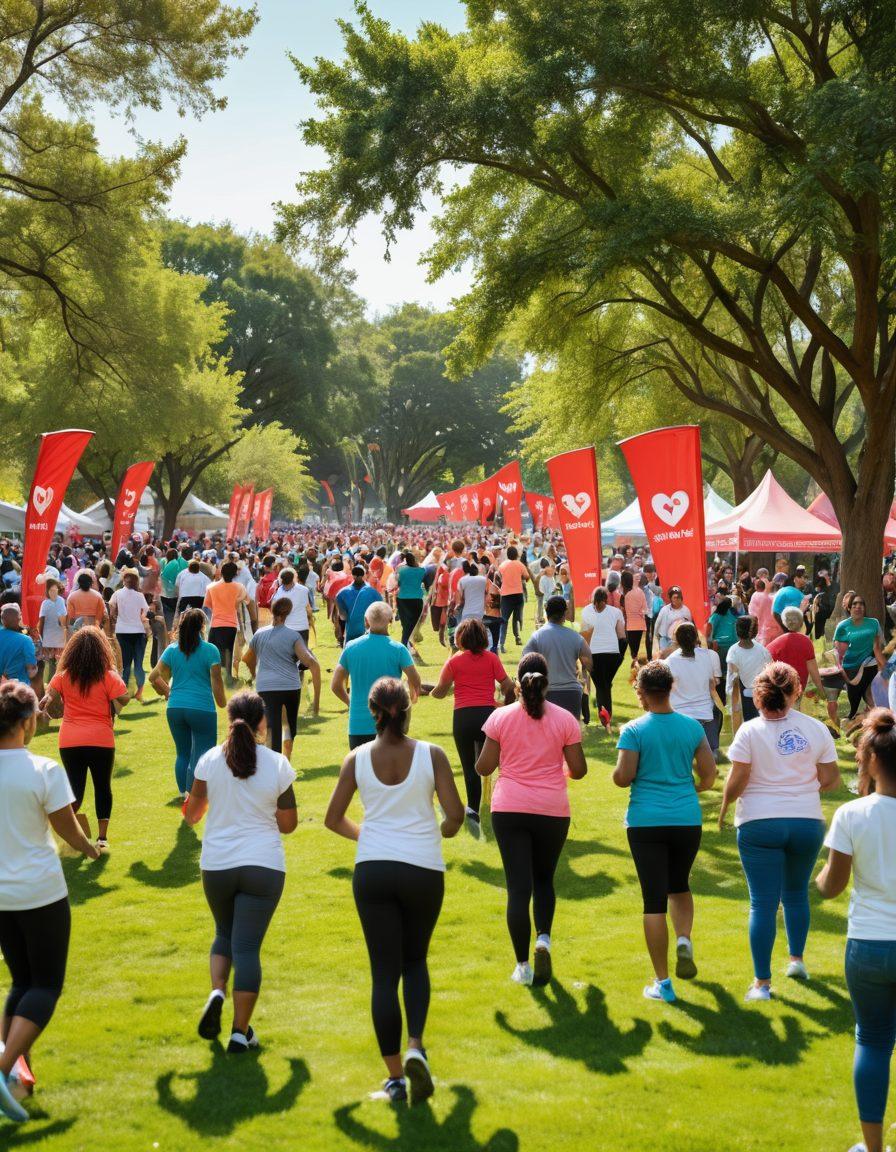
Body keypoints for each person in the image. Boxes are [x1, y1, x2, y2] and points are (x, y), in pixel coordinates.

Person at [324, 676, 464, 1105]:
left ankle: (395, 1077)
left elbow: (332, 819)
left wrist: (367, 834)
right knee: (414, 961)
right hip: (423, 867)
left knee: (383, 974)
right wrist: (436, 828)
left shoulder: (357, 758)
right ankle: (416, 1045)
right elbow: (456, 816)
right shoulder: (432, 755)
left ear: (373, 712)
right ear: (408, 709)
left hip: (374, 868)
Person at [0, 681, 99, 1123]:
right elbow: (67, 829)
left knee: (21, 983)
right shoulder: (42, 769)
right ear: (26, 723)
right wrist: (91, 848)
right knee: (45, 986)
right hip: (39, 892)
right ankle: (2, 1071)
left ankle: (18, 1077)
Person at [184, 691, 297, 1054]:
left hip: (217, 864)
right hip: (263, 865)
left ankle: (218, 992)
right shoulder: (278, 764)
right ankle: (238, 1030)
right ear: (262, 721)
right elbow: (288, 824)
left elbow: (192, 815)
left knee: (224, 934)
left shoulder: (209, 760)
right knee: (247, 947)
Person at [720, 662, 840, 1000]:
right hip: (806, 822)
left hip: (759, 822)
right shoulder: (816, 729)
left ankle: (762, 984)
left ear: (759, 694)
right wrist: (801, 788)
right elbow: (831, 779)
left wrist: (725, 806)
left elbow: (738, 779)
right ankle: (797, 961)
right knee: (796, 894)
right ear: (796, 690)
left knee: (762, 903)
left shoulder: (748, 731)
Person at [475, 652, 587, 986]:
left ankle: (522, 965)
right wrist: (559, 769)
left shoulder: (501, 718)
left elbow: (483, 767)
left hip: (509, 808)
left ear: (518, 680)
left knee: (518, 888)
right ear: (547, 682)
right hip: (552, 809)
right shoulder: (565, 719)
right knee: (544, 880)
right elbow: (578, 770)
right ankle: (544, 939)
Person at [613, 662, 716, 1002]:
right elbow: (709, 775)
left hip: (646, 821)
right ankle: (683, 938)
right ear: (670, 689)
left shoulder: (634, 730)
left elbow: (624, 777)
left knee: (653, 899)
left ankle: (663, 982)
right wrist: (691, 789)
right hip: (686, 818)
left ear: (642, 693)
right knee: (679, 884)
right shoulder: (691, 728)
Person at [817, 709, 896, 1152]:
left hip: (867, 944)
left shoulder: (852, 814)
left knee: (872, 1039)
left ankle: (872, 1146)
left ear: (869, 762)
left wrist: (818, 878)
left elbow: (831, 886)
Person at [41, 628, 130, 850]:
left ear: (73, 651)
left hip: (70, 740)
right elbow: (124, 698)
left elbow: (48, 695)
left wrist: (46, 702)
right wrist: (113, 698)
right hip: (101, 739)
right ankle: (102, 839)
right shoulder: (108, 675)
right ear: (102, 650)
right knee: (102, 787)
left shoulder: (63, 675)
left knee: (75, 789)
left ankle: (65, 831)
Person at [430, 618, 515, 832]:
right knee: (499, 763)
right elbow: (507, 685)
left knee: (470, 767)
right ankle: (505, 804)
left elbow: (440, 691)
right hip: (488, 715)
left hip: (463, 717)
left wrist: (429, 691)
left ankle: (474, 810)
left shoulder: (454, 661)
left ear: (461, 638)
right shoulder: (491, 658)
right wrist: (506, 705)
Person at [149, 608, 227, 800]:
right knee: (202, 755)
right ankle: (193, 796)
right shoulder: (210, 650)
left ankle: (184, 792)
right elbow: (217, 682)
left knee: (182, 753)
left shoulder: (172, 649)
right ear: (202, 626)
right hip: (202, 708)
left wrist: (168, 692)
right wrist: (223, 703)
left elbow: (153, 677)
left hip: (175, 708)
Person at [332, 602, 422, 750]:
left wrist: (351, 703)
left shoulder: (351, 648)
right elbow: (416, 681)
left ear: (366, 621)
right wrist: (410, 697)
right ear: (391, 621)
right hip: (391, 724)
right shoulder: (398, 649)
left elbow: (335, 686)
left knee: (360, 771)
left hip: (358, 724)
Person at [243, 597, 321, 760]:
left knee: (272, 728)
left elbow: (248, 659)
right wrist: (316, 702)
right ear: (288, 613)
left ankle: (275, 764)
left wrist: (255, 673)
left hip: (266, 687)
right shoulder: (293, 636)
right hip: (290, 687)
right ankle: (284, 762)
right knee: (289, 728)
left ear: (272, 611)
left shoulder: (259, 634)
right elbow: (311, 663)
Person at [522, 595, 593, 719]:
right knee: (571, 735)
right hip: (572, 693)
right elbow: (590, 663)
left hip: (546, 692)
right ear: (564, 614)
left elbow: (525, 663)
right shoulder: (576, 637)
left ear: (546, 612)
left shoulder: (537, 637)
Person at [665, 623, 722, 753]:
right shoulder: (707, 656)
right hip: (705, 714)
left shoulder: (670, 662)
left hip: (681, 715)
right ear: (696, 639)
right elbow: (711, 684)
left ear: (677, 640)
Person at [834, 595, 885, 723]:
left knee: (870, 695)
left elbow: (877, 648)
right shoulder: (843, 626)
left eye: (861, 604)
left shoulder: (873, 623)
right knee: (854, 705)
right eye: (855, 604)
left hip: (869, 665)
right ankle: (856, 719)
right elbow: (839, 652)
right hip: (851, 669)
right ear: (849, 608)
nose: (858, 607)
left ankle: (880, 722)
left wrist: (887, 669)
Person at [580, 586, 626, 726]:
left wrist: (583, 657)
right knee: (605, 685)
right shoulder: (616, 612)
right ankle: (607, 717)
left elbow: (584, 635)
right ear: (606, 600)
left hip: (594, 654)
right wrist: (620, 657)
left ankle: (604, 718)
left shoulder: (586, 611)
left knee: (601, 686)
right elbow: (622, 637)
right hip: (612, 653)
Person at [767, 606, 828, 703]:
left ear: (784, 622)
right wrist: (821, 689)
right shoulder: (806, 642)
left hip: (778, 688)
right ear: (801, 622)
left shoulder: (774, 644)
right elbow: (813, 668)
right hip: (797, 687)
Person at [203, 561, 248, 687]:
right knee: (228, 651)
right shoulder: (239, 587)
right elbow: (246, 600)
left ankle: (212, 678)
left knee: (213, 652)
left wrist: (219, 608)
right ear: (234, 574)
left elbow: (208, 604)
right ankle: (227, 678)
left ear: (221, 572)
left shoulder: (211, 587)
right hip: (231, 624)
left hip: (216, 623)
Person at [109, 569, 151, 702]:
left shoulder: (117, 594)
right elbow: (145, 611)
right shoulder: (139, 596)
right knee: (138, 664)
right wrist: (140, 617)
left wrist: (114, 617)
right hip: (138, 631)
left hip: (122, 631)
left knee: (125, 664)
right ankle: (139, 692)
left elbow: (111, 608)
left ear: (123, 580)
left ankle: (124, 691)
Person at [726, 615, 772, 725]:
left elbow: (734, 676)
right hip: (762, 693)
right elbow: (770, 671)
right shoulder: (762, 650)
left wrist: (734, 703)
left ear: (737, 631)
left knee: (747, 727)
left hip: (742, 696)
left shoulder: (734, 651)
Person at [336, 565, 382, 646]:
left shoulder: (341, 593)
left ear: (352, 575)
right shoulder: (373, 592)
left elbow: (343, 616)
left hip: (352, 630)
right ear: (364, 575)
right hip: (370, 630)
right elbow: (380, 611)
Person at [497, 545, 530, 652]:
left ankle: (501, 643)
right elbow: (527, 577)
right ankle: (517, 637)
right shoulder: (520, 564)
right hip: (518, 594)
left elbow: (499, 577)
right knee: (516, 618)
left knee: (504, 620)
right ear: (516, 554)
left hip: (506, 595)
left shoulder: (502, 565)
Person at [0, 605, 37, 691]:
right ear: (19, 620)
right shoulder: (26, 640)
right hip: (19, 690)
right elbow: (31, 671)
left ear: (2, 620)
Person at [395, 551, 426, 652]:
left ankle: (405, 643)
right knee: (413, 623)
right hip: (417, 599)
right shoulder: (421, 570)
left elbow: (398, 583)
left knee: (405, 623)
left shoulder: (401, 570)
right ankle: (405, 643)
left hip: (402, 598)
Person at [36, 580, 67, 675]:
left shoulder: (59, 601)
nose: (53, 592)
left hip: (56, 634)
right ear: (47, 591)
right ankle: (53, 683)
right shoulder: (47, 603)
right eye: (51, 590)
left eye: (55, 590)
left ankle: (54, 683)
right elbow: (41, 622)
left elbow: (63, 619)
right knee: (53, 662)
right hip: (50, 635)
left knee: (56, 661)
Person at [654, 587, 692, 654]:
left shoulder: (686, 610)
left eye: (678, 597)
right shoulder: (664, 609)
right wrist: (655, 636)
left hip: (678, 641)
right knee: (664, 657)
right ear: (671, 598)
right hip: (664, 638)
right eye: (674, 597)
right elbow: (657, 623)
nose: (677, 599)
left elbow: (689, 626)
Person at [619, 569, 647, 659]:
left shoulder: (624, 596)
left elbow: (622, 611)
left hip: (629, 625)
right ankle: (635, 664)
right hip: (639, 624)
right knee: (636, 649)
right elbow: (644, 608)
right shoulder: (640, 592)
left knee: (633, 651)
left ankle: (634, 665)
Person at [748, 578, 781, 647]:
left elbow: (752, 614)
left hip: (762, 631)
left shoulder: (756, 595)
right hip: (776, 630)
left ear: (756, 587)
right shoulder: (774, 596)